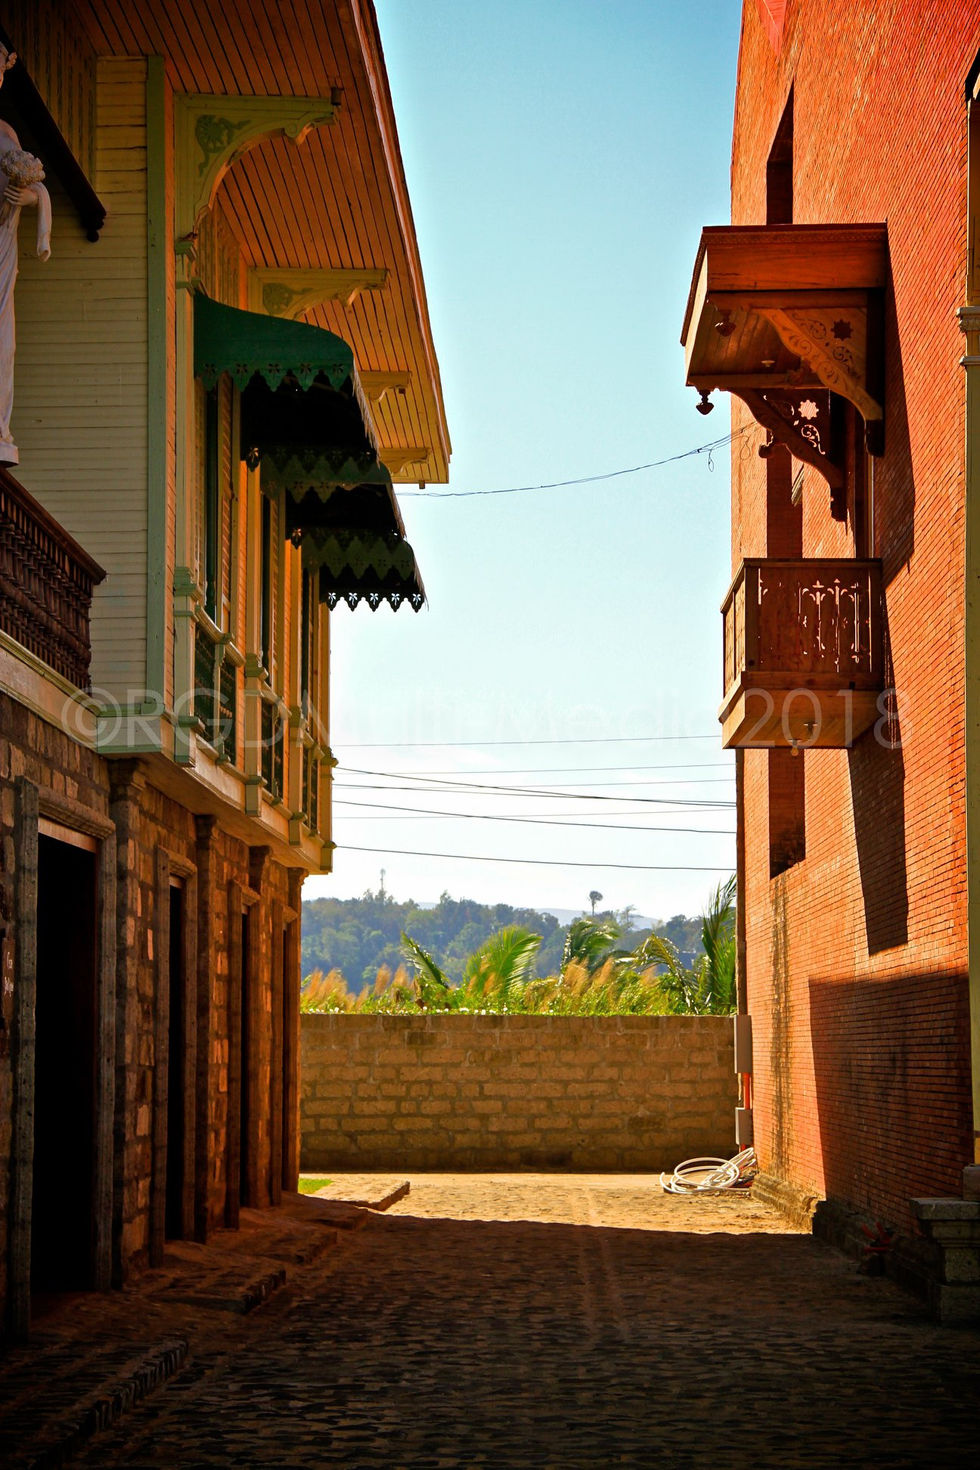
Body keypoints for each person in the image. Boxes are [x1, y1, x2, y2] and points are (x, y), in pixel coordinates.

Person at [0, 46, 51, 467]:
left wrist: (33, 197)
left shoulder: (5, 132)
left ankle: (0, 429)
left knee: (4, 343)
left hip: (2, 252)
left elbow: (35, 185)